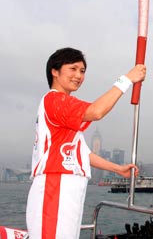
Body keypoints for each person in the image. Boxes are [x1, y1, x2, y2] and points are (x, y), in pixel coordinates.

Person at [26, 47, 146, 239]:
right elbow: (96, 111)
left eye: (82, 71)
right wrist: (127, 80)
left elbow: (82, 153)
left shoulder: (64, 113)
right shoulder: (54, 101)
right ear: (55, 72)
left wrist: (117, 169)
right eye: (73, 69)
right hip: (55, 186)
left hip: (67, 188)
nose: (79, 76)